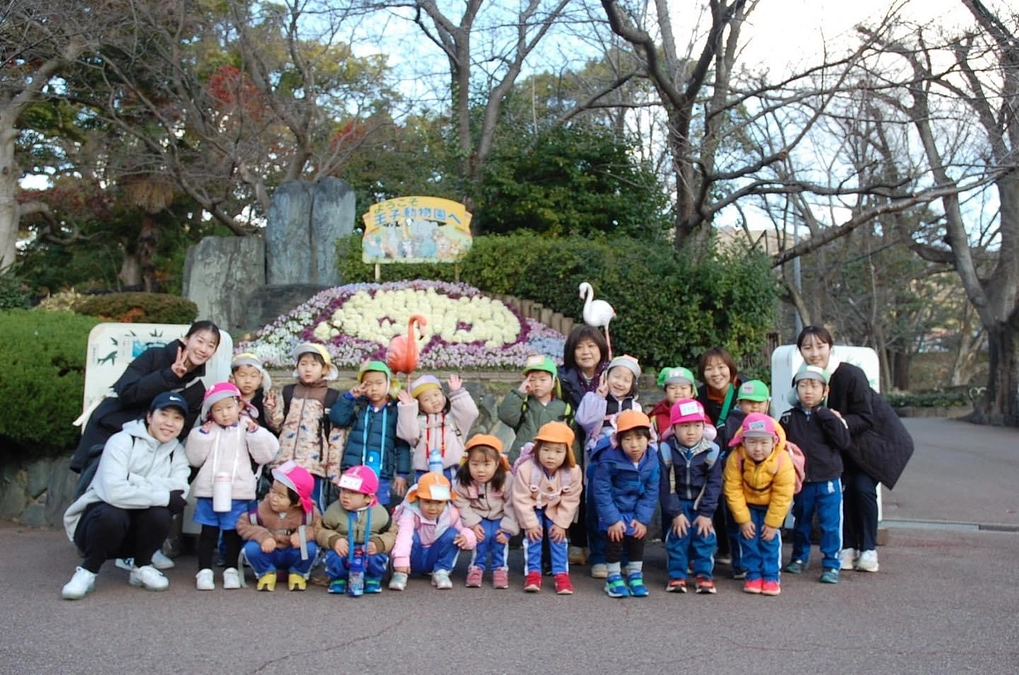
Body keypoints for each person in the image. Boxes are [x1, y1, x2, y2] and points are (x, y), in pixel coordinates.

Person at [61, 392, 192, 600]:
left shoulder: (177, 452)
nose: (169, 423)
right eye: (164, 415)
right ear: (150, 417)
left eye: (177, 418)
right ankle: (88, 571)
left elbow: (180, 492)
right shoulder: (121, 441)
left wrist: (132, 479)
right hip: (95, 527)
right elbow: (115, 493)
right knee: (113, 513)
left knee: (160, 515)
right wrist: (163, 494)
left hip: (136, 530)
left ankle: (141, 567)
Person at [796, 326, 881, 573]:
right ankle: (847, 547)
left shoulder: (850, 374)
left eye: (820, 346)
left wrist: (837, 420)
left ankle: (868, 548)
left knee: (862, 489)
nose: (814, 353)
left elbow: (866, 417)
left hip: (860, 450)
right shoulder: (804, 376)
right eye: (807, 347)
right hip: (830, 455)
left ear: (830, 347)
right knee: (837, 497)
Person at [186, 382, 280, 591]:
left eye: (229, 407)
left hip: (237, 490)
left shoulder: (248, 427)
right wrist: (202, 436)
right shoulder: (208, 430)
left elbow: (266, 454)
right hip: (210, 490)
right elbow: (194, 458)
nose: (225, 414)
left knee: (233, 532)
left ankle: (230, 569)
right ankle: (204, 570)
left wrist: (256, 434)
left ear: (239, 406)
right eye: (218, 410)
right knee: (208, 531)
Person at [780, 365, 851, 584]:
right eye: (803, 385)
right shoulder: (788, 418)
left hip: (828, 478)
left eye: (814, 386)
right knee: (801, 519)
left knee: (830, 523)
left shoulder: (830, 416)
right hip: (802, 480)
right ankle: (800, 558)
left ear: (825, 391)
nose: (808, 391)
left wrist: (826, 415)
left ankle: (831, 563)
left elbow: (844, 442)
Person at [575, 354, 642, 578]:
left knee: (624, 509)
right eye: (616, 376)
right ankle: (599, 557)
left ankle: (622, 557)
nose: (620, 382)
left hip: (625, 468)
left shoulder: (636, 406)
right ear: (605, 377)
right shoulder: (594, 398)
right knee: (597, 510)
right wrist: (598, 397)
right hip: (600, 463)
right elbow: (584, 421)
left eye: (626, 379)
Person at [264, 343, 345, 512]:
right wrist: (270, 408)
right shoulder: (288, 392)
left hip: (312, 467)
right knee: (280, 508)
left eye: (314, 365)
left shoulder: (331, 397)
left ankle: (308, 538)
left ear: (324, 369)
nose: (308, 369)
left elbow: (336, 438)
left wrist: (333, 472)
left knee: (310, 509)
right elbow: (277, 425)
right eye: (303, 364)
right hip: (284, 463)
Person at [504, 421, 583, 595]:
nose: (551, 456)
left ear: (567, 453)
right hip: (533, 507)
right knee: (534, 536)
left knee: (558, 538)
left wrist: (562, 523)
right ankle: (533, 573)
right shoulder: (526, 469)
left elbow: (571, 499)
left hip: (556, 508)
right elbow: (521, 498)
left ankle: (561, 575)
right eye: (546, 449)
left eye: (558, 451)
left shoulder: (573, 472)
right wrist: (530, 523)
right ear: (537, 449)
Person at [723, 413, 796, 596]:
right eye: (752, 442)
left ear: (774, 441)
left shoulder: (782, 460)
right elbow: (732, 489)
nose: (758, 448)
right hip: (747, 506)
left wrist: (772, 523)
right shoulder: (736, 458)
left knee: (769, 540)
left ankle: (771, 576)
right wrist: (743, 519)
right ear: (743, 441)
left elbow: (783, 494)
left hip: (771, 507)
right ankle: (753, 574)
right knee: (748, 539)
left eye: (764, 443)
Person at [591, 410, 659, 598]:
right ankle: (613, 577)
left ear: (649, 438)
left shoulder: (652, 460)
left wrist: (642, 519)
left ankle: (635, 574)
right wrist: (612, 519)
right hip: (613, 508)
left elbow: (652, 491)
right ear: (619, 441)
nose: (634, 444)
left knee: (637, 537)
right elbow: (601, 490)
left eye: (639, 438)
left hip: (636, 508)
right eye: (627, 439)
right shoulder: (608, 459)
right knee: (615, 539)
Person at [557, 326, 610, 567]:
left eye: (591, 346)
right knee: (574, 488)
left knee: (600, 491)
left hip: (603, 441)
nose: (586, 352)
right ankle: (577, 542)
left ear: (601, 349)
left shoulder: (613, 374)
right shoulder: (562, 378)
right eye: (579, 347)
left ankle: (602, 545)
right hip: (573, 440)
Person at [659, 399, 722, 594]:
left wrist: (706, 512)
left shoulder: (712, 451)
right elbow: (665, 484)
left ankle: (704, 575)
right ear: (674, 428)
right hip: (677, 503)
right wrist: (676, 513)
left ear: (704, 426)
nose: (691, 431)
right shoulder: (666, 449)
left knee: (705, 539)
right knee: (678, 538)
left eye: (697, 425)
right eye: (684, 426)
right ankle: (677, 575)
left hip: (701, 504)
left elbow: (714, 484)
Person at [331, 360, 412, 507]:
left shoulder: (395, 410)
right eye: (368, 384)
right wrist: (350, 397)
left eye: (379, 383)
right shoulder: (359, 406)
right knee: (353, 505)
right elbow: (338, 419)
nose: (374, 388)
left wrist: (402, 474)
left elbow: (402, 445)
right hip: (355, 469)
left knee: (380, 507)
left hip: (382, 471)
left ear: (388, 383)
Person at [237, 460, 321, 592]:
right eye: (273, 491)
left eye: (281, 496)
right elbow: (243, 524)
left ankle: (298, 573)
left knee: (309, 549)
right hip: (270, 551)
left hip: (293, 551)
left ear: (297, 502)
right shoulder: (262, 509)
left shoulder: (309, 513)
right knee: (251, 548)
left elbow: (319, 527)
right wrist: (263, 536)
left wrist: (303, 536)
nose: (274, 498)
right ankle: (266, 572)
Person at [388, 473, 477, 591]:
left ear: (446, 502)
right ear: (418, 499)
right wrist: (401, 560)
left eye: (439, 502)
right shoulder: (410, 512)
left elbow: (463, 529)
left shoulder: (451, 513)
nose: (433, 508)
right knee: (410, 536)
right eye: (427, 502)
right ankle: (400, 574)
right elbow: (404, 536)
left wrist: (467, 537)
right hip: (411, 560)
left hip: (432, 557)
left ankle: (441, 571)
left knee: (453, 534)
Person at [696, 347, 743, 567]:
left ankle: (741, 553)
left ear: (730, 369)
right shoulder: (701, 395)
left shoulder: (744, 390)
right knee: (714, 500)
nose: (716, 373)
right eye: (709, 369)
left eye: (721, 367)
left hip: (741, 456)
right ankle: (723, 547)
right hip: (711, 457)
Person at [318, 466, 396, 595]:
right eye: (343, 490)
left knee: (377, 556)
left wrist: (379, 543)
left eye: (353, 492)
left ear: (368, 498)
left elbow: (392, 532)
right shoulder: (333, 510)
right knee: (334, 555)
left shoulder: (380, 513)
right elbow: (320, 529)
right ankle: (338, 579)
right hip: (346, 545)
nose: (345, 496)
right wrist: (334, 540)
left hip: (368, 547)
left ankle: (372, 578)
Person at [452, 434, 517, 589]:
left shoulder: (507, 479)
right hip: (477, 516)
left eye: (487, 464)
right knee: (480, 537)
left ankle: (500, 568)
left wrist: (508, 528)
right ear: (468, 464)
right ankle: (476, 567)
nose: (480, 470)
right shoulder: (464, 481)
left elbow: (513, 504)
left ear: (497, 464)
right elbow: (460, 502)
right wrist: (473, 523)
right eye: (475, 464)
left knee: (498, 539)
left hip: (500, 517)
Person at [396, 374, 479, 482]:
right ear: (420, 406)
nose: (434, 400)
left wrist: (458, 393)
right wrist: (408, 408)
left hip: (453, 470)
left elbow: (470, 413)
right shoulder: (419, 423)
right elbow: (408, 434)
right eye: (426, 399)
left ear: (443, 396)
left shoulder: (455, 418)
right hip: (425, 472)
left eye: (436, 395)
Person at [498, 354, 573, 463]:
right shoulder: (523, 403)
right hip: (522, 460)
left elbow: (572, 442)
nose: (537, 384)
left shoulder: (564, 408)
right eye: (532, 379)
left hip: (552, 462)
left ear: (554, 382)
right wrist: (520, 393)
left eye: (543, 380)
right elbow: (506, 416)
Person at [649, 366, 697, 441]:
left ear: (692, 392)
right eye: (672, 388)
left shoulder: (700, 414)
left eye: (683, 388)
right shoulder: (656, 418)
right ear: (665, 392)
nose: (678, 392)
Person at [229, 352, 273, 431]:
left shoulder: (265, 402)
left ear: (261, 379)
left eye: (253, 376)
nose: (248, 381)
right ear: (232, 378)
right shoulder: (227, 400)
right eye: (242, 375)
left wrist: (271, 409)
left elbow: (275, 426)